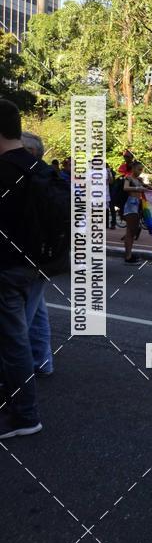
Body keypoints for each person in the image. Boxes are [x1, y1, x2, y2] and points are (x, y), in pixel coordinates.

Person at [0, 101, 46, 438]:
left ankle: (24, 416)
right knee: (17, 338)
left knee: (12, 343)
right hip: (35, 266)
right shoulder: (40, 168)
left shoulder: (3, 170)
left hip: (6, 269)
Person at [20, 131, 54, 378]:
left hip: (28, 257)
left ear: (30, 152)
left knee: (19, 317)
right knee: (37, 309)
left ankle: (15, 374)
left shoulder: (29, 177)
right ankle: (42, 360)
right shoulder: (48, 175)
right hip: (44, 256)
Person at [122, 161, 152, 263]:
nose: (140, 172)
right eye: (139, 169)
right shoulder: (128, 178)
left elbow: (150, 188)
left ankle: (129, 254)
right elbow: (125, 188)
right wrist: (137, 188)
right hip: (130, 205)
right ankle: (128, 256)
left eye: (141, 170)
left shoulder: (139, 180)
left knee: (132, 231)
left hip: (137, 205)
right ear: (133, 168)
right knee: (130, 231)